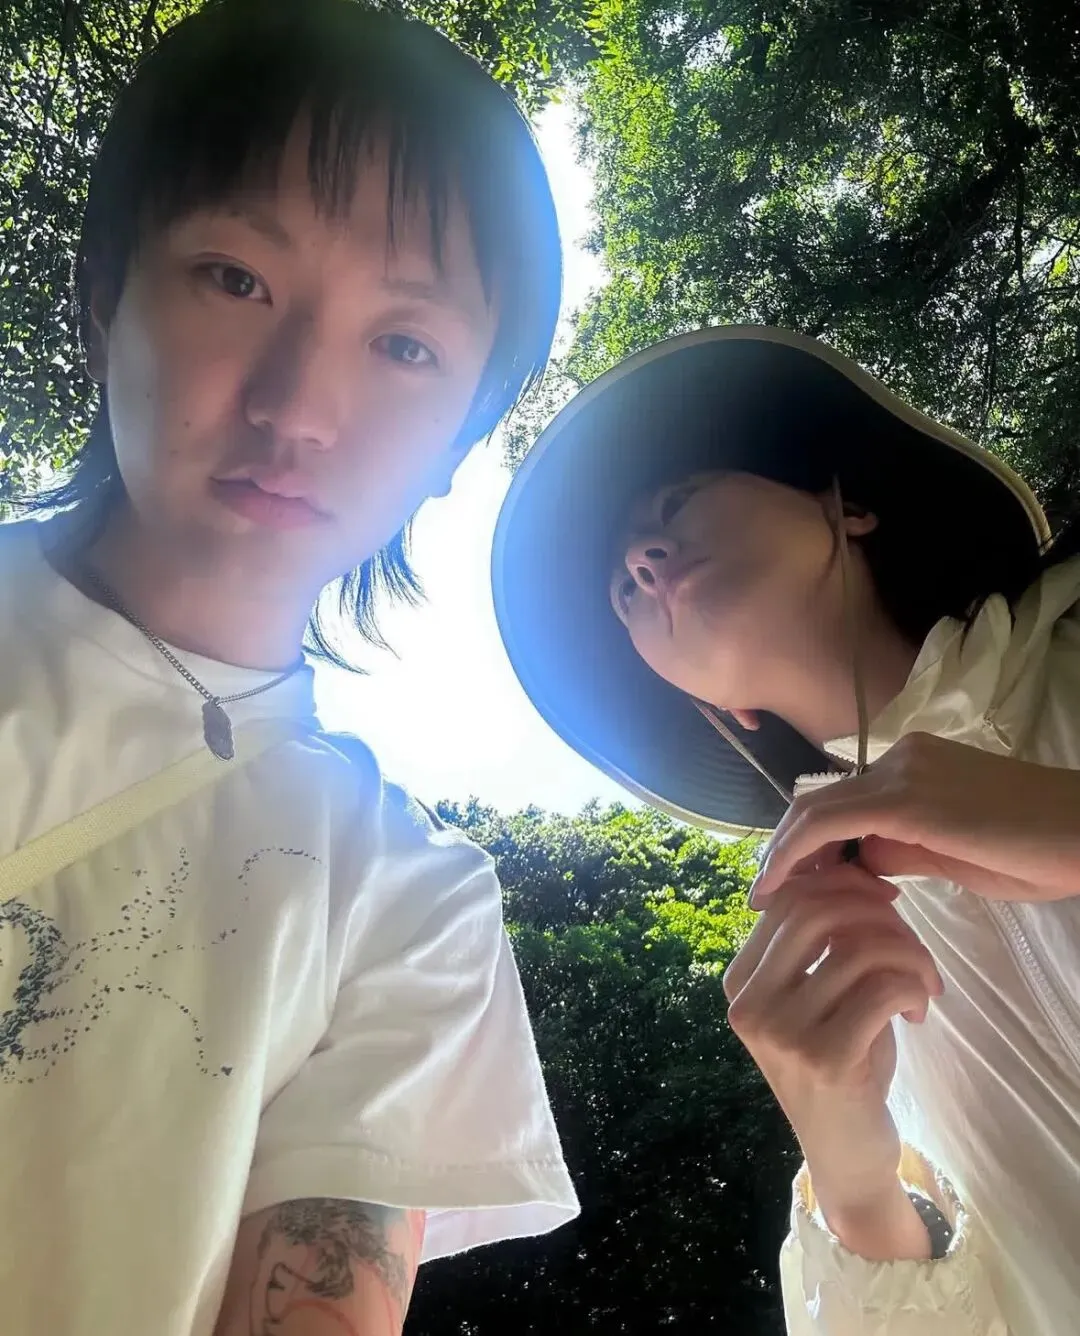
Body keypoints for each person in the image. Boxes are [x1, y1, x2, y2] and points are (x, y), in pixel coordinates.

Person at [0, 1, 579, 1332]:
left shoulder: (408, 904)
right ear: (103, 294)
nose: (298, 407)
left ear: (458, 443)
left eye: (405, 345)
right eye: (236, 279)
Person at [491, 324, 1080, 1335]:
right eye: (623, 590)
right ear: (720, 708)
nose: (641, 558)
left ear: (846, 507)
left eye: (675, 504)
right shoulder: (837, 974)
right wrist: (854, 1181)